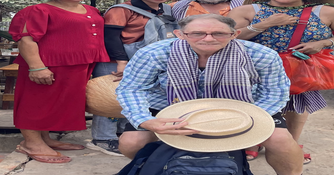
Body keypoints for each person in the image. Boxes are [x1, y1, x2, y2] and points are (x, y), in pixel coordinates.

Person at [115, 14, 305, 175]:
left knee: (281, 141)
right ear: (180, 34)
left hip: (245, 105)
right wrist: (144, 120)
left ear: (235, 34)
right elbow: (132, 88)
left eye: (219, 33)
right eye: (197, 33)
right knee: (132, 142)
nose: (208, 39)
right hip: (168, 104)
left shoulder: (262, 55)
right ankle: (164, 162)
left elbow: (275, 92)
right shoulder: (153, 54)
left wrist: (249, 118)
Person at [228, 0, 334, 164]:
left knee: (297, 104)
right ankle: (253, 141)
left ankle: (291, 142)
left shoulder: (326, 12)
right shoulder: (247, 11)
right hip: (253, 68)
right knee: (254, 102)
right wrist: (266, 24)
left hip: (302, 67)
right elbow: (231, 37)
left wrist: (323, 43)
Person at [8, 0, 108, 164]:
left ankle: (45, 139)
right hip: (47, 64)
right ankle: (31, 143)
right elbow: (26, 39)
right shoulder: (39, 10)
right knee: (35, 103)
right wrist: (37, 67)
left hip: (79, 64)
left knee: (57, 103)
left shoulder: (91, 9)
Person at [87, 0, 177, 156]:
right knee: (110, 98)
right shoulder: (121, 10)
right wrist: (121, 62)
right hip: (117, 60)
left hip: (146, 61)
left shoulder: (168, 9)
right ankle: (103, 138)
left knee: (136, 98)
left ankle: (123, 134)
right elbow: (110, 38)